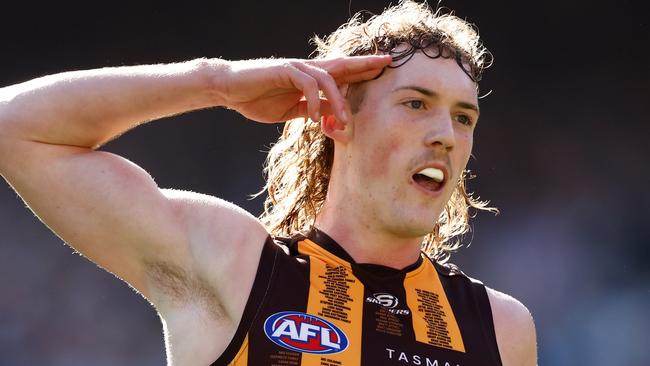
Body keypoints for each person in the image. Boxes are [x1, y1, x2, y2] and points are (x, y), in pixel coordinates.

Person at [0, 1, 536, 365]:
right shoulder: (234, 264)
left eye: (463, 117)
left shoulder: (501, 328)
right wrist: (217, 81)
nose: (445, 134)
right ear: (335, 117)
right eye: (416, 104)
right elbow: (15, 128)